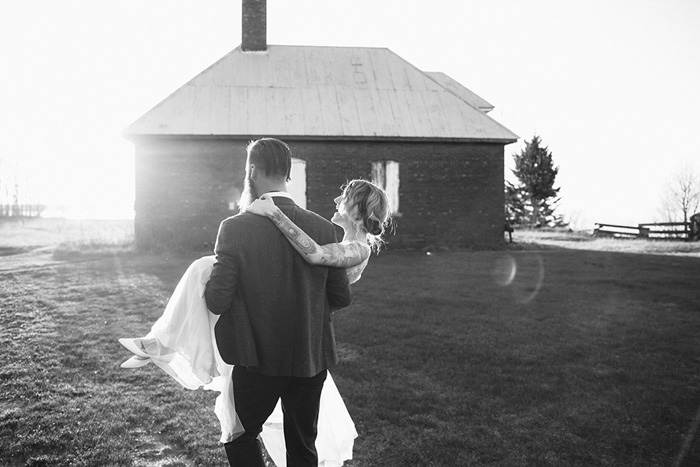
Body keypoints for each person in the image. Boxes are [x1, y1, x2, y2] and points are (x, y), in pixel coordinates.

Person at [119, 138, 391, 466]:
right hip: (311, 356)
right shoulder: (324, 227)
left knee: (240, 434)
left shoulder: (234, 228)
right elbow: (340, 296)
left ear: (251, 170)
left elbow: (218, 301)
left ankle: (160, 341)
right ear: (288, 174)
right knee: (303, 444)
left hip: (257, 358)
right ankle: (158, 341)